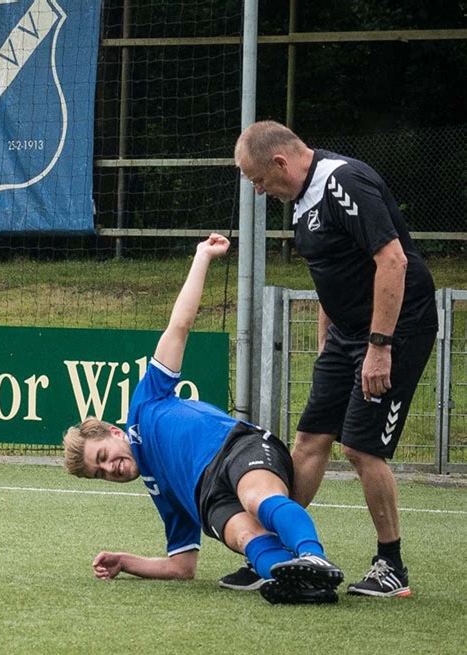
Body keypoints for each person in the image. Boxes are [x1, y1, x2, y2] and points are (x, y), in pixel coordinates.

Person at [63, 233, 344, 606]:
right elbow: (183, 567)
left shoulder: (144, 406)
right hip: (205, 496)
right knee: (243, 535)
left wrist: (203, 257)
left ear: (114, 432)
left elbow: (178, 327)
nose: (109, 468)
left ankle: (313, 556)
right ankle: (298, 582)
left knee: (257, 497)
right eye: (100, 473)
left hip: (233, 448)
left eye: (102, 457)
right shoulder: (161, 492)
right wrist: (126, 561)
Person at [220, 121, 438, 598]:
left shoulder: (343, 181)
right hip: (347, 334)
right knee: (309, 440)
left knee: (361, 448)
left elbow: (393, 260)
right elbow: (332, 276)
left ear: (279, 163)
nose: (258, 192)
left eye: (257, 180)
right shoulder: (301, 201)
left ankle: (391, 565)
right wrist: (329, 345)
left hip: (397, 327)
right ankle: (277, 553)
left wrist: (379, 346)